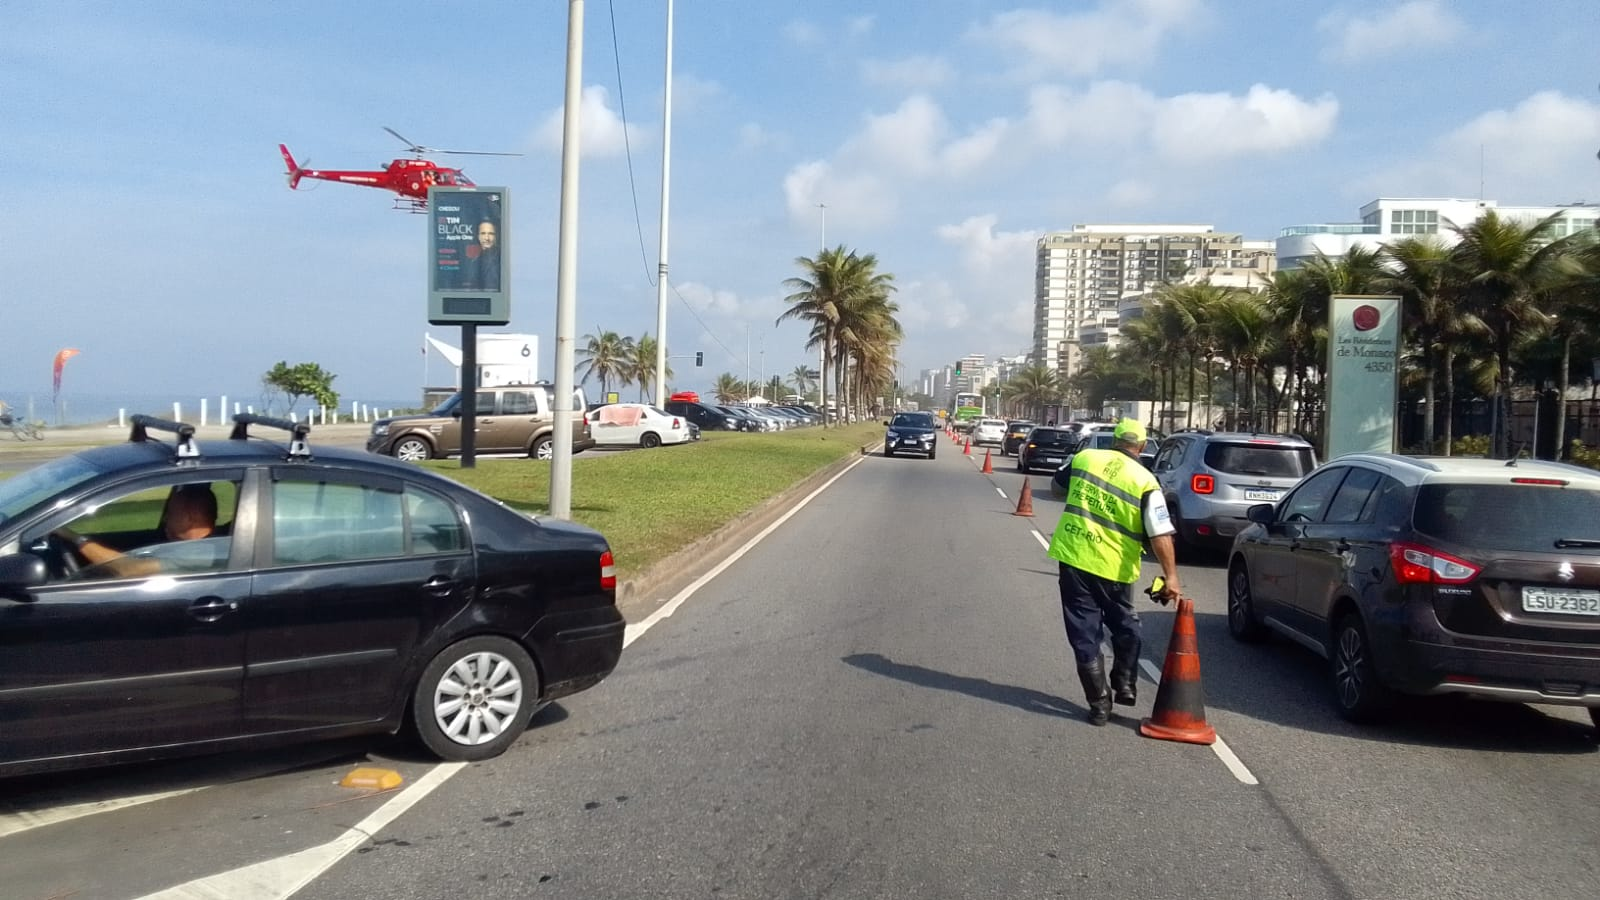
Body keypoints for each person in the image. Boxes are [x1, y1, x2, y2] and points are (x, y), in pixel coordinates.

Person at [1045, 417, 1182, 725]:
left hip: (1075, 558)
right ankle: (1124, 683)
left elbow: (1056, 488)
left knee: (1084, 635)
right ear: (1142, 446)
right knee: (1125, 625)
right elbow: (1160, 533)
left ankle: (1099, 704)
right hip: (1115, 568)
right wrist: (1170, 575)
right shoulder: (1146, 481)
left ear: (1114, 440)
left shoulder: (1084, 458)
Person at [55, 484, 220, 579]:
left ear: (189, 519)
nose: (165, 520)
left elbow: (129, 568)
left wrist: (75, 538)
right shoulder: (191, 546)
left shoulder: (200, 553)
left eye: (170, 513)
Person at [464, 219, 501, 291]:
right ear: (478, 236)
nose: (487, 238)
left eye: (491, 234)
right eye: (483, 233)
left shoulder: (501, 259)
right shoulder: (474, 261)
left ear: (496, 236)